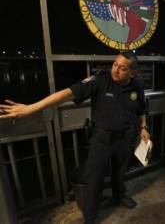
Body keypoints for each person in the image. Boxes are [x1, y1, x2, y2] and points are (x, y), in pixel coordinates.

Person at [0, 51, 150, 224]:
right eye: (115, 64)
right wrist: (31, 108)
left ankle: (119, 196)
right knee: (94, 179)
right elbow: (67, 93)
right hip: (101, 140)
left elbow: (141, 110)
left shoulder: (137, 87)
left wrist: (144, 127)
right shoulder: (101, 80)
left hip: (125, 139)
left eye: (122, 68)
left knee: (119, 172)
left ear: (132, 73)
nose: (115, 70)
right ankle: (90, 217)